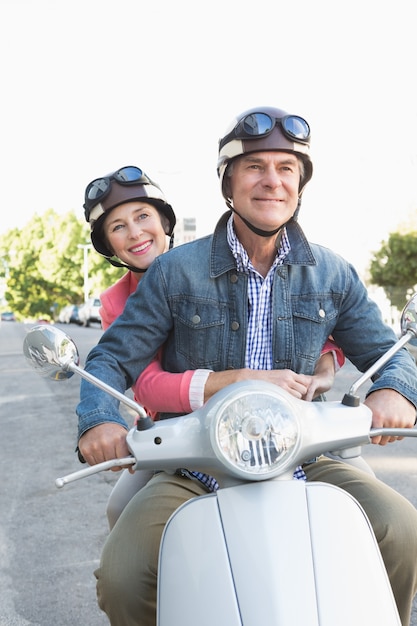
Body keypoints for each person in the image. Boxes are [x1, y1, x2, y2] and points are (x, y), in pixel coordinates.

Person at [77, 106, 417, 626]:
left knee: (400, 530)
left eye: (286, 168)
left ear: (300, 184)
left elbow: (388, 351)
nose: (272, 181)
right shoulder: (173, 272)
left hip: (306, 452)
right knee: (124, 575)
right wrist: (100, 418)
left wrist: (395, 390)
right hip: (196, 460)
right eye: (255, 167)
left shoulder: (332, 271)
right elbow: (112, 357)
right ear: (228, 184)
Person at [84, 164, 344, 529]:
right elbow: (144, 384)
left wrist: (327, 360)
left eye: (143, 216)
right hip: (176, 434)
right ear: (108, 245)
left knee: (369, 504)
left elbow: (290, 320)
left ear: (165, 223)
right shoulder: (115, 302)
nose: (135, 232)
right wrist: (237, 379)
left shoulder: (205, 266)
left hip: (261, 421)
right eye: (118, 227)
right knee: (122, 513)